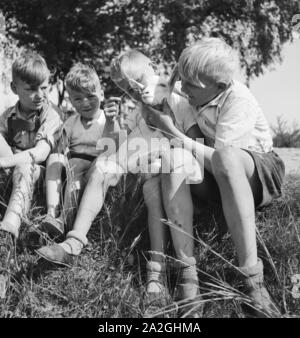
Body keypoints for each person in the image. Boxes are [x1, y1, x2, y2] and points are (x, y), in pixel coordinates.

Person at [36, 51, 203, 316]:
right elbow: (121, 148)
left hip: (173, 165)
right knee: (103, 165)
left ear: (153, 68)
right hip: (142, 165)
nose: (135, 91)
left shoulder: (176, 96)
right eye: (126, 88)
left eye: (137, 82)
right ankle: (74, 242)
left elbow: (195, 140)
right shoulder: (137, 113)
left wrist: (166, 124)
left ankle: (161, 270)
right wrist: (114, 125)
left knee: (153, 186)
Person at [140, 37, 285, 317]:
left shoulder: (237, 99)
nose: (183, 89)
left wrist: (176, 135)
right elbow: (162, 88)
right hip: (214, 174)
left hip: (255, 173)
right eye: (181, 80)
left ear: (220, 86)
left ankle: (252, 281)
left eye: (190, 84)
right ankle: (188, 277)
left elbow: (221, 159)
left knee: (225, 156)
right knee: (172, 158)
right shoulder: (195, 90)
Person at [36, 63, 120, 252]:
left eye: (90, 96)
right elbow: (62, 147)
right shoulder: (71, 122)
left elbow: (110, 148)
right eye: (78, 98)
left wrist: (111, 121)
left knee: (77, 166)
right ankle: (53, 213)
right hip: (74, 164)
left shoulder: (106, 119)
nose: (85, 103)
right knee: (56, 159)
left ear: (102, 94)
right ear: (71, 101)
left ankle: (65, 220)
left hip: (96, 165)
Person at [0, 52, 62, 297]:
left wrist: (6, 161)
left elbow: (40, 152)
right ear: (15, 88)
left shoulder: (50, 114)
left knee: (26, 166)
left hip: (43, 177)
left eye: (44, 88)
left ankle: (7, 235)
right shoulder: (7, 116)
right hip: (11, 174)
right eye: (31, 89)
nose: (40, 95)